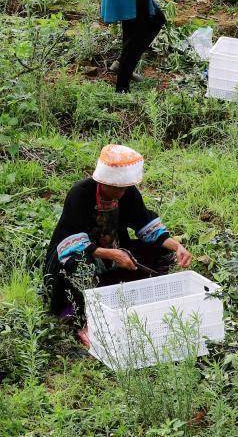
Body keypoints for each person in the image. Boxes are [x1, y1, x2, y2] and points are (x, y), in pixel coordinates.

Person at [43, 144, 192, 348]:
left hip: (114, 250)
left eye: (123, 188)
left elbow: (145, 225)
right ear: (102, 181)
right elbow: (71, 242)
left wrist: (177, 247)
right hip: (74, 255)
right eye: (116, 188)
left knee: (161, 251)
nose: (120, 193)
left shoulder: (128, 194)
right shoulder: (80, 194)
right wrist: (113, 255)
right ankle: (83, 320)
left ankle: (133, 293)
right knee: (79, 264)